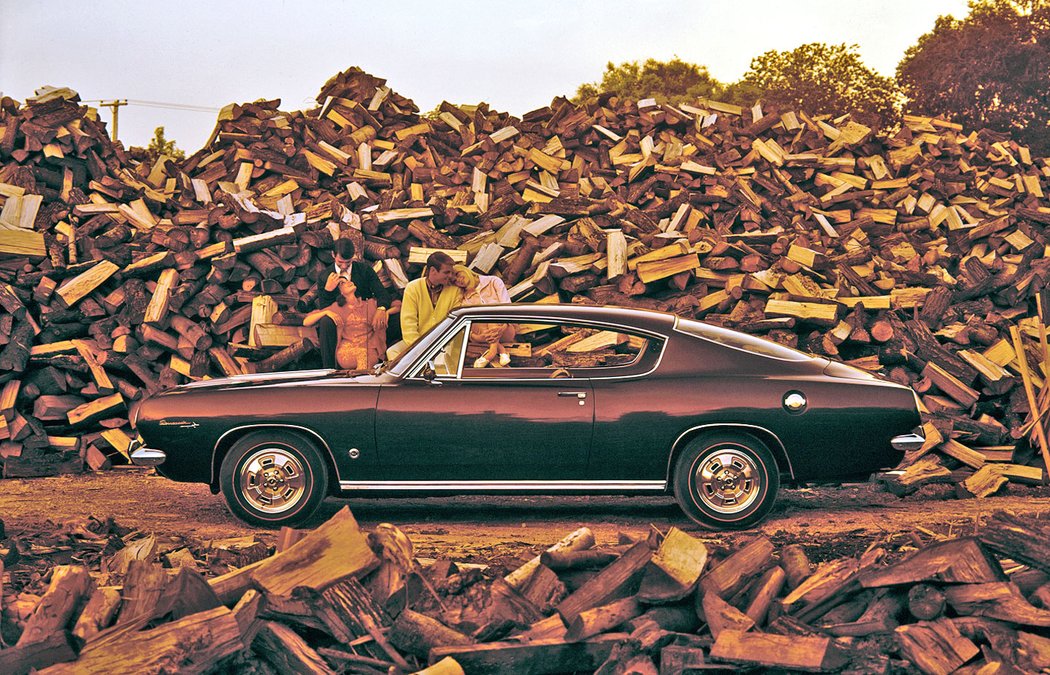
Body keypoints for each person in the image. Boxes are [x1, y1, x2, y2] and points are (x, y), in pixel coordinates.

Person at [314, 237, 399, 369]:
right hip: (343, 320)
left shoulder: (364, 270)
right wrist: (328, 291)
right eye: (340, 262)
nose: (343, 266)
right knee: (325, 322)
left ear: (353, 257)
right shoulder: (324, 276)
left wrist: (381, 309)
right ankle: (329, 369)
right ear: (333, 255)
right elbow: (325, 308)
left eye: (347, 263)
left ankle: (393, 363)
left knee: (397, 319)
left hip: (367, 317)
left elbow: (382, 294)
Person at [303, 277, 382, 370]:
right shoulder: (337, 308)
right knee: (363, 355)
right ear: (340, 292)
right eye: (342, 283)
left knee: (365, 355)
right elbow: (306, 322)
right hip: (347, 350)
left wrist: (384, 311)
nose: (348, 282)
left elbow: (396, 305)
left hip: (370, 348)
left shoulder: (369, 304)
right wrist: (325, 312)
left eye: (348, 280)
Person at [396, 251, 462, 354]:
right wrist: (419, 349)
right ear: (433, 271)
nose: (451, 276)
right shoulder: (413, 288)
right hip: (417, 342)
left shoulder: (455, 290)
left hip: (444, 343)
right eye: (446, 272)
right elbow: (408, 324)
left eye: (451, 272)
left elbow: (454, 323)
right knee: (392, 352)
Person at [452, 265, 513, 368]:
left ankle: (492, 352)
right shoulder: (464, 299)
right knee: (480, 318)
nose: (459, 280)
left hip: (505, 331)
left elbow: (508, 308)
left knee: (491, 313)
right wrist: (476, 337)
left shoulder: (493, 281)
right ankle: (501, 350)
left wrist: (503, 327)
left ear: (464, 270)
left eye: (458, 274)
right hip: (482, 337)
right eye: (455, 281)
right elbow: (468, 325)